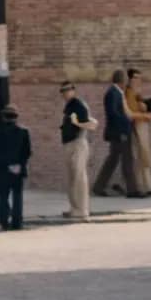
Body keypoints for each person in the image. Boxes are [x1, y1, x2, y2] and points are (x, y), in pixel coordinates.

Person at [92, 69, 141, 199]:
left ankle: (99, 186)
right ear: (121, 80)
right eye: (125, 80)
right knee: (127, 159)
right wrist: (123, 128)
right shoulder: (112, 93)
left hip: (120, 131)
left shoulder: (117, 92)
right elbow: (113, 114)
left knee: (113, 159)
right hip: (120, 132)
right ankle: (132, 190)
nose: (127, 82)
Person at [0, 103, 32, 230]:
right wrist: (20, 164)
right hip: (16, 168)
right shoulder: (23, 132)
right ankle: (17, 222)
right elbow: (27, 152)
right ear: (16, 117)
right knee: (17, 196)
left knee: (2, 196)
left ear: (4, 117)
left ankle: (4, 222)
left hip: (1, 168)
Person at [60, 82, 97, 220]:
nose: (65, 93)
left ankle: (82, 210)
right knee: (72, 177)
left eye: (67, 90)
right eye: (62, 91)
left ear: (73, 90)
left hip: (78, 143)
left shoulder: (79, 105)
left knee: (79, 176)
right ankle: (74, 208)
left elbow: (91, 123)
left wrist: (79, 124)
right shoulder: (69, 106)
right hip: (69, 143)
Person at [124, 68, 151, 197]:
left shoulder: (137, 92)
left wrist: (145, 107)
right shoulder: (128, 93)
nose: (139, 80)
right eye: (136, 77)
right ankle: (143, 187)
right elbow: (131, 112)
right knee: (141, 157)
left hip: (141, 125)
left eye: (139, 78)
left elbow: (141, 107)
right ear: (130, 79)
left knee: (144, 157)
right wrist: (145, 115)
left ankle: (148, 187)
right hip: (136, 126)